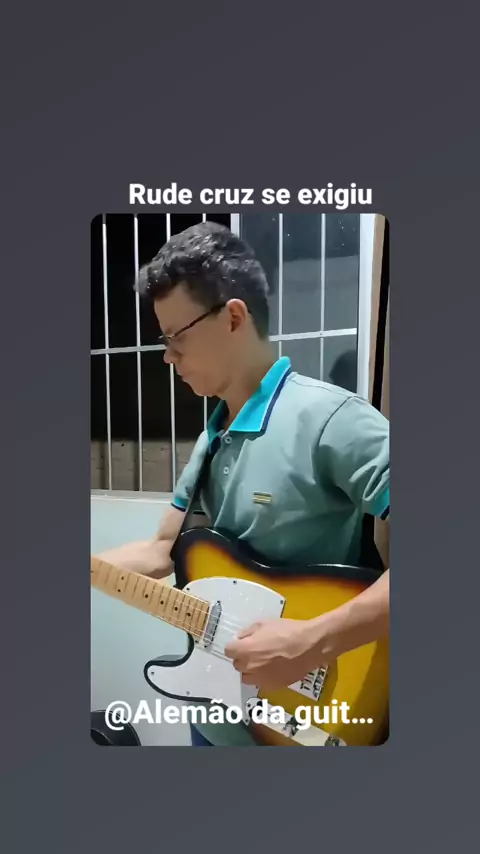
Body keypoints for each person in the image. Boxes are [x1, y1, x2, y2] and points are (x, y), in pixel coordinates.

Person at [97, 221, 390, 747]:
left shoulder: (333, 420)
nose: (167, 356)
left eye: (176, 337)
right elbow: (162, 550)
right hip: (214, 715)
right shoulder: (212, 438)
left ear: (233, 317)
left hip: (306, 726)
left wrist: (312, 640)